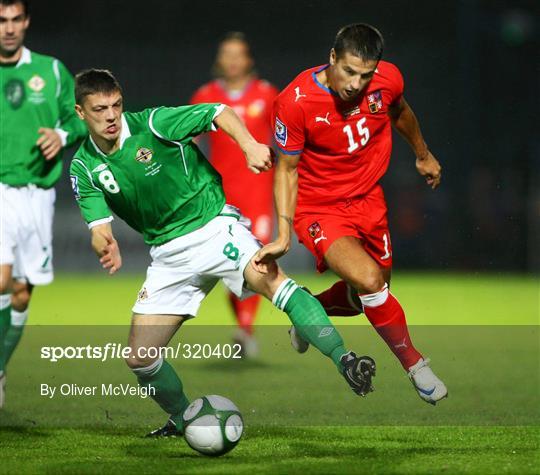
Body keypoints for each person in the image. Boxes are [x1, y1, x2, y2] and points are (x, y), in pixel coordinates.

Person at [70, 69, 376, 436]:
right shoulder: (83, 166)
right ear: (80, 112)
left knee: (273, 282)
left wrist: (247, 144)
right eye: (100, 109)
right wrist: (105, 241)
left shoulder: (153, 123)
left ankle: (346, 361)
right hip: (168, 256)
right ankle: (183, 419)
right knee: (140, 357)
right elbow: (98, 226)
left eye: (116, 105)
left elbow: (218, 111)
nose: (110, 116)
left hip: (214, 227)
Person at [255, 23, 448, 405]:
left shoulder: (387, 79)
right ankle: (416, 365)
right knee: (371, 280)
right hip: (319, 208)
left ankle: (309, 313)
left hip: (369, 202)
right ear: (332, 58)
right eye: (348, 71)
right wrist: (283, 233)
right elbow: (287, 170)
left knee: (366, 297)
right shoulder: (295, 101)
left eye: (365, 75)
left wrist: (423, 154)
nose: (356, 84)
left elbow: (401, 111)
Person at [0, 0, 86, 408]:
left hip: (38, 195)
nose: (9, 28)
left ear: (27, 22)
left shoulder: (51, 71)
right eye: (2, 21)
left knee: (21, 293)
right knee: (1, 281)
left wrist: (61, 134)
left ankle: (1, 370)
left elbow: (80, 119)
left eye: (16, 20)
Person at [190, 32, 279, 356]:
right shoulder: (206, 96)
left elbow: (287, 136)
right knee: (231, 264)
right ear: (219, 59)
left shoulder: (267, 94)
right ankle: (244, 327)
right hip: (221, 196)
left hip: (258, 195)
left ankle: (244, 329)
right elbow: (188, 143)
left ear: (248, 59)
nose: (232, 60)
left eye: (237, 54)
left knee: (256, 257)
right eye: (226, 54)